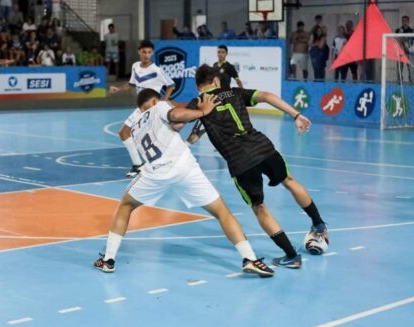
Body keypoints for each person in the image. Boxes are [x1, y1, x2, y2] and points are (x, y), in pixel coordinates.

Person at [94, 89, 274, 277]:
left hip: (156, 173)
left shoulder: (136, 129)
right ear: (155, 100)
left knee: (126, 205)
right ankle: (249, 258)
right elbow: (176, 115)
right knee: (222, 212)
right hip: (184, 167)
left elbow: (172, 127)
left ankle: (108, 260)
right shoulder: (160, 106)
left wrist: (188, 139)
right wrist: (203, 111)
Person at [186, 65, 329, 268]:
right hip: (262, 147)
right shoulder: (234, 92)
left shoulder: (198, 103)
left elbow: (176, 122)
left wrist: (194, 124)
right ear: (216, 81)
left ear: (198, 86)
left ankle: (292, 256)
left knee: (259, 208)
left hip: (240, 161)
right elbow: (268, 96)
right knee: (289, 181)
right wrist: (296, 115)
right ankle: (319, 224)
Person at [109, 40, 175, 178]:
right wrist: (118, 89)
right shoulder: (135, 66)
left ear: (152, 53)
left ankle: (166, 165)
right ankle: (138, 165)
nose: (146, 55)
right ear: (139, 51)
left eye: (149, 52)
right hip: (141, 109)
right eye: (144, 52)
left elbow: (171, 85)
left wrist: (164, 100)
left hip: (152, 109)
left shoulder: (156, 70)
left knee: (153, 138)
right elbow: (131, 84)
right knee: (124, 133)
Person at [395, 16, 413, 82]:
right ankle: (399, 81)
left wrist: (406, 40)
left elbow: (412, 41)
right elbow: (396, 39)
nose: (404, 22)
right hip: (400, 52)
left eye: (405, 21)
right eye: (403, 21)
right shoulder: (398, 30)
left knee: (410, 69)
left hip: (409, 52)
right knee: (399, 68)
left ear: (408, 22)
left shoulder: (411, 30)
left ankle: (411, 82)